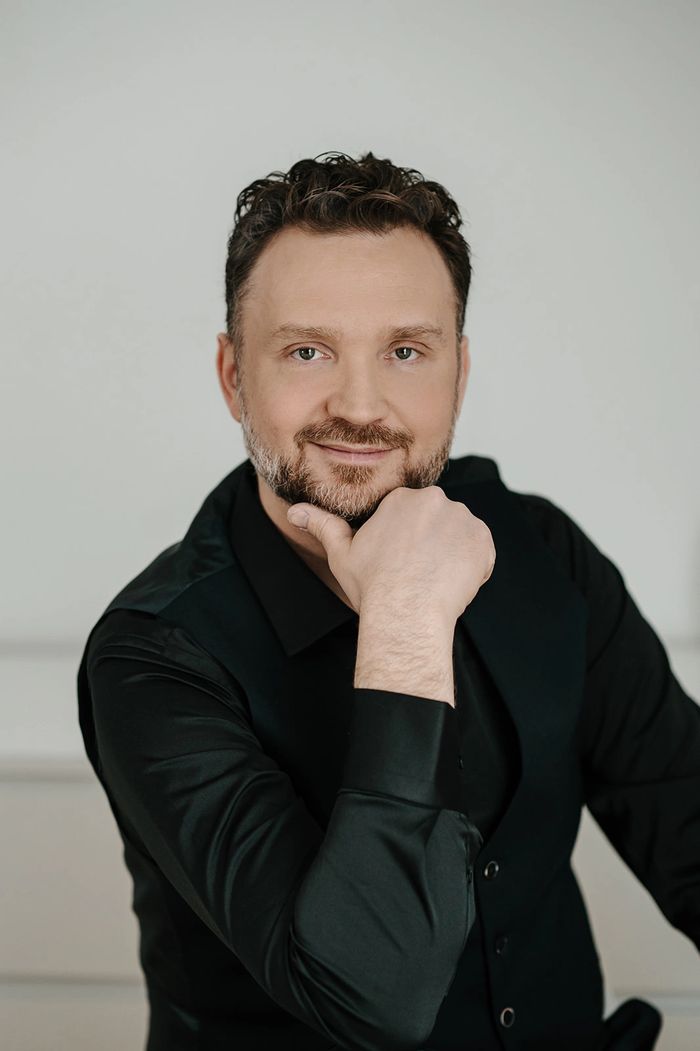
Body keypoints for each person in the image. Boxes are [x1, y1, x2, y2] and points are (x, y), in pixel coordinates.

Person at [76, 151, 698, 1051]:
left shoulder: (539, 547)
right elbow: (372, 996)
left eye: (406, 351)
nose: (362, 406)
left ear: (459, 372)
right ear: (233, 376)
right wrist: (406, 621)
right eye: (308, 350)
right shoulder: (153, 655)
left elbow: (686, 819)